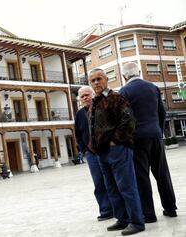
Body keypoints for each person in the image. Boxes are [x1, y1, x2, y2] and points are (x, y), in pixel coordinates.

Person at [88, 68, 144, 236]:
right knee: (112, 188)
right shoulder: (96, 101)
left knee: (126, 186)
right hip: (102, 153)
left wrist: (115, 141)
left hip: (117, 150)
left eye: (99, 79)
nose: (96, 82)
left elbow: (129, 121)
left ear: (106, 79)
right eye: (93, 80)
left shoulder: (116, 97)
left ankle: (136, 222)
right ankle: (122, 219)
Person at [119, 62, 177, 223]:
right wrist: (157, 129)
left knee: (141, 177)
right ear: (138, 72)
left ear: (124, 76)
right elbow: (162, 112)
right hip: (155, 135)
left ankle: (149, 214)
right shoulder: (153, 87)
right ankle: (171, 208)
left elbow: (125, 118)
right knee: (162, 173)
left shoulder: (124, 91)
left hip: (137, 139)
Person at [75, 86, 113, 221]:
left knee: (111, 180)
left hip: (106, 151)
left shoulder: (102, 108)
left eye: (87, 95)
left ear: (93, 95)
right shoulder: (79, 114)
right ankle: (106, 210)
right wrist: (83, 149)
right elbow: (78, 134)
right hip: (91, 154)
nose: (85, 98)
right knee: (98, 182)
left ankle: (118, 208)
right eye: (82, 96)